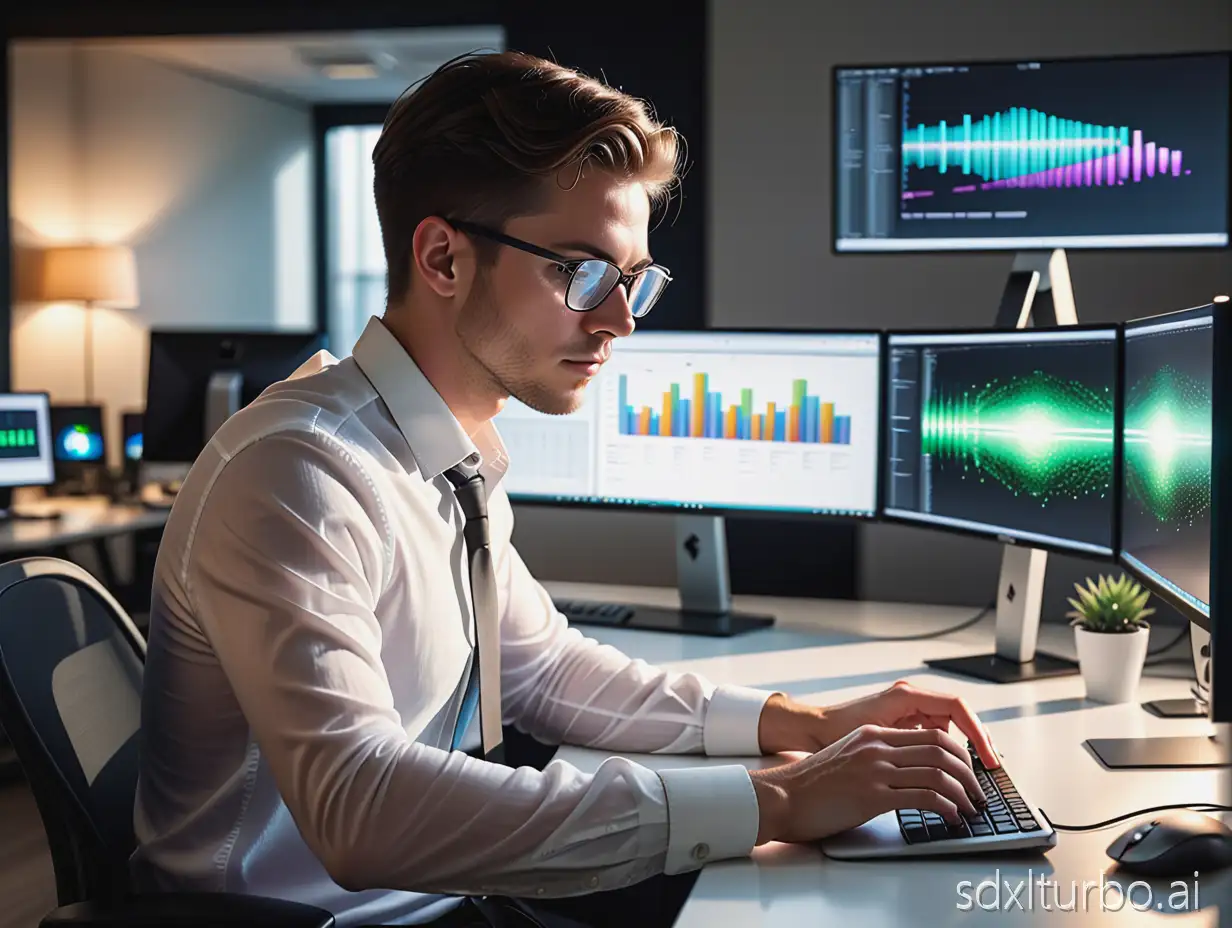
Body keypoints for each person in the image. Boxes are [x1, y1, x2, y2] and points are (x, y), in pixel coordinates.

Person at [130, 50, 999, 928]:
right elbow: (360, 810)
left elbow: (541, 669)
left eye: (633, 281)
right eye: (580, 272)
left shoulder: (450, 452)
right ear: (442, 259)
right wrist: (775, 798)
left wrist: (803, 723)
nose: (620, 320)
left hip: (438, 897)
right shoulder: (300, 474)